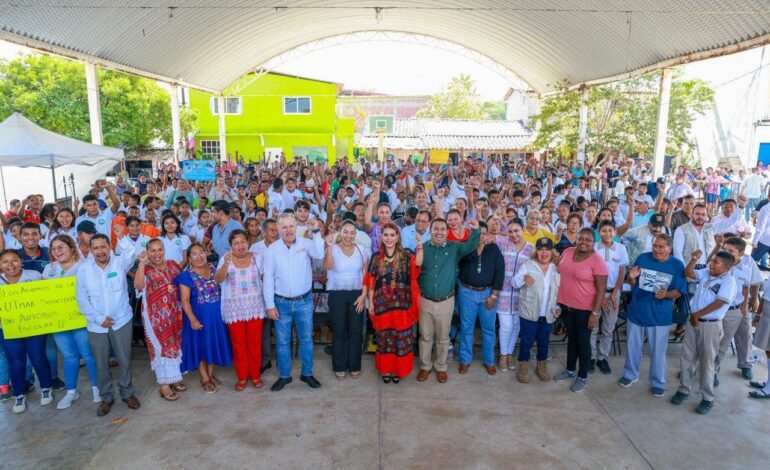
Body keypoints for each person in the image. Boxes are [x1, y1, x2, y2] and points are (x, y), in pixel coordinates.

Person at [75, 230, 141, 416]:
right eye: (95, 248)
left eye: (103, 246)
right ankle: (106, 397)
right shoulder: (84, 270)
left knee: (125, 358)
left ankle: (127, 393)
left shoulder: (120, 263)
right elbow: (82, 299)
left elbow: (131, 252)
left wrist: (122, 238)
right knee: (101, 362)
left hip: (122, 320)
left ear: (110, 247)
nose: (100, 251)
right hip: (97, 325)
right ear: (91, 250)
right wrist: (99, 319)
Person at [618, 234, 687, 396]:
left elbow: (679, 292)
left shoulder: (677, 265)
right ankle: (630, 374)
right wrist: (632, 278)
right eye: (655, 246)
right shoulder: (642, 258)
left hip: (660, 316)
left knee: (658, 351)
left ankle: (658, 381)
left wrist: (667, 295)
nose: (656, 249)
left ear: (670, 248)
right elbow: (632, 282)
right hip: (637, 311)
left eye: (661, 247)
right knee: (633, 347)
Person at [263, 214, 325, 392]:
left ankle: (307, 373)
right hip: (280, 302)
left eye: (291, 226)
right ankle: (284, 375)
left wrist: (315, 232)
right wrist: (270, 305)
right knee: (283, 342)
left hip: (304, 301)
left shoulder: (306, 244)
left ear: (296, 226)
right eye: (284, 227)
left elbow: (319, 253)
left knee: (306, 340)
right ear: (278, 229)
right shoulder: (272, 250)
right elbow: (268, 279)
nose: (288, 230)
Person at [670, 251, 737, 415]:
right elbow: (688, 273)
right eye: (712, 261)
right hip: (693, 321)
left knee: (707, 362)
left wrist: (698, 315)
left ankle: (707, 398)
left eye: (716, 262)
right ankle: (683, 389)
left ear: (726, 267)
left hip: (710, 325)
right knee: (687, 356)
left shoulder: (729, 281)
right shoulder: (706, 273)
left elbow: (720, 302)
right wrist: (693, 260)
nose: (711, 264)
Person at [416, 216, 479, 383]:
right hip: (425, 301)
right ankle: (425, 366)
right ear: (430, 231)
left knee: (443, 338)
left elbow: (471, 245)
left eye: (442, 229)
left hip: (446, 302)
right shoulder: (422, 248)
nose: (439, 232)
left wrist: (476, 230)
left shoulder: (454, 248)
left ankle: (441, 367)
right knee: (425, 337)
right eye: (435, 229)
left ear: (447, 232)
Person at [42, 235, 100, 409]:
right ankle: (71, 391)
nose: (57, 251)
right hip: (59, 322)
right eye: (53, 249)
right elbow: (43, 295)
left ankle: (98, 387)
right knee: (68, 356)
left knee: (88, 354)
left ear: (71, 247)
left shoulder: (85, 266)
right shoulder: (49, 269)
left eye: (61, 247)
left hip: (81, 319)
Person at [364, 222, 423, 383]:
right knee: (384, 340)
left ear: (398, 237)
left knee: (401, 340)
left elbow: (418, 263)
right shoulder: (376, 257)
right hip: (382, 306)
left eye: (392, 235)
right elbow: (371, 279)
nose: (389, 238)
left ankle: (398, 370)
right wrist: (371, 302)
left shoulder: (405, 254)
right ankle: (386, 370)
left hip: (402, 307)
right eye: (386, 235)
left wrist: (419, 246)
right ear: (381, 237)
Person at [553, 228, 608, 393]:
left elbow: (601, 290)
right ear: (576, 239)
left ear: (593, 242)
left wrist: (595, 313)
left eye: (588, 240)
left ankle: (582, 377)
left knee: (583, 344)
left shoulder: (597, 261)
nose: (584, 242)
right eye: (581, 238)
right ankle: (570, 370)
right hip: (566, 306)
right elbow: (559, 272)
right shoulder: (568, 252)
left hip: (585, 310)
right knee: (572, 340)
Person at [214, 229, 267, 390]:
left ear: (248, 242)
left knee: (255, 343)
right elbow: (218, 280)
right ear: (231, 245)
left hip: (254, 306)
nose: (240, 245)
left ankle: (255, 375)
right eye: (236, 243)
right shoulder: (225, 258)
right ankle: (242, 376)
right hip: (234, 309)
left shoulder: (257, 258)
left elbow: (266, 278)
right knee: (238, 344)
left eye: (243, 241)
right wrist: (226, 264)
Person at [134, 239, 186, 401]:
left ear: (164, 250)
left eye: (159, 250)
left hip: (175, 313)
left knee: (175, 343)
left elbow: (183, 283)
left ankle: (174, 378)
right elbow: (138, 285)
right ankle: (164, 384)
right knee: (160, 347)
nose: (157, 254)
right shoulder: (146, 269)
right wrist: (141, 264)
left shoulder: (172, 265)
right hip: (154, 316)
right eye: (153, 251)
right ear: (148, 252)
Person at [0, 250, 51, 414]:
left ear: (21, 261)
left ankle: (46, 387)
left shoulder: (34, 275)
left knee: (38, 358)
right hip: (8, 329)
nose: (10, 265)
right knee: (16, 362)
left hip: (34, 327)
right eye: (5, 262)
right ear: (0, 265)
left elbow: (48, 297)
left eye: (14, 260)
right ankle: (19, 394)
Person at [177, 243, 232, 394]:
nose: (199, 256)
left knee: (212, 344)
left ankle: (210, 372)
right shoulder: (186, 276)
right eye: (194, 254)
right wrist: (193, 320)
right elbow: (185, 300)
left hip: (216, 318)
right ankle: (204, 377)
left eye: (201, 252)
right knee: (201, 346)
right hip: (198, 317)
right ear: (189, 258)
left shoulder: (214, 269)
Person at [456, 221, 504, 375]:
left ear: (488, 234)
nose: (481, 236)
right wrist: (470, 244)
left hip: (487, 294)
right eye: (478, 233)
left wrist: (494, 295)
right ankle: (465, 360)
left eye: (484, 233)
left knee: (489, 330)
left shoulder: (494, 249)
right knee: (466, 328)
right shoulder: (466, 247)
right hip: (467, 293)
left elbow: (499, 272)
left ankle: (489, 361)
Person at [324, 220, 369, 379]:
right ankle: (339, 365)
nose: (348, 236)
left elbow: (366, 275)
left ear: (355, 235)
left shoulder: (361, 249)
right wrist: (329, 247)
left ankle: (354, 365)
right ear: (340, 233)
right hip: (337, 294)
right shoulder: (333, 249)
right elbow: (328, 267)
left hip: (357, 293)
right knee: (340, 330)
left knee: (356, 331)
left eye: (352, 232)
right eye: (345, 232)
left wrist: (363, 296)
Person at [714, 236, 762, 384]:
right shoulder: (719, 261)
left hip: (742, 306)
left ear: (741, 253)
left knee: (745, 335)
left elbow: (753, 283)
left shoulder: (748, 262)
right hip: (723, 308)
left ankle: (745, 364)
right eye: (724, 249)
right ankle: (712, 368)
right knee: (720, 340)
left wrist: (754, 299)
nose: (726, 252)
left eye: (731, 250)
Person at [512, 237, 561, 382]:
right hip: (529, 313)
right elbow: (514, 282)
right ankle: (523, 368)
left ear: (552, 252)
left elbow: (558, 292)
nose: (544, 253)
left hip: (548, 314)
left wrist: (558, 307)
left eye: (547, 250)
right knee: (527, 341)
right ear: (536, 252)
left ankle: (541, 367)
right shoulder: (528, 265)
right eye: (540, 249)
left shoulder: (556, 268)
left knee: (544, 341)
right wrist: (523, 279)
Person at [493, 218, 535, 371]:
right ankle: (503, 355)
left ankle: (510, 354)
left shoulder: (531, 249)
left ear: (523, 230)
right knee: (506, 326)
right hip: (502, 293)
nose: (513, 234)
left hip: (521, 295)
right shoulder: (502, 242)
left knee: (516, 326)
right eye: (510, 231)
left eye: (516, 230)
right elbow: (490, 235)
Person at [590, 220, 629, 375]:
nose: (607, 233)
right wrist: (600, 295)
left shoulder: (620, 248)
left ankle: (602, 357)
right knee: (593, 328)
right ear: (599, 233)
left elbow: (621, 272)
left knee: (608, 328)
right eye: (604, 230)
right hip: (595, 293)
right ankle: (591, 357)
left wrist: (614, 293)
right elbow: (591, 273)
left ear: (614, 232)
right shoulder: (594, 249)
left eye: (610, 230)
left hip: (613, 293)